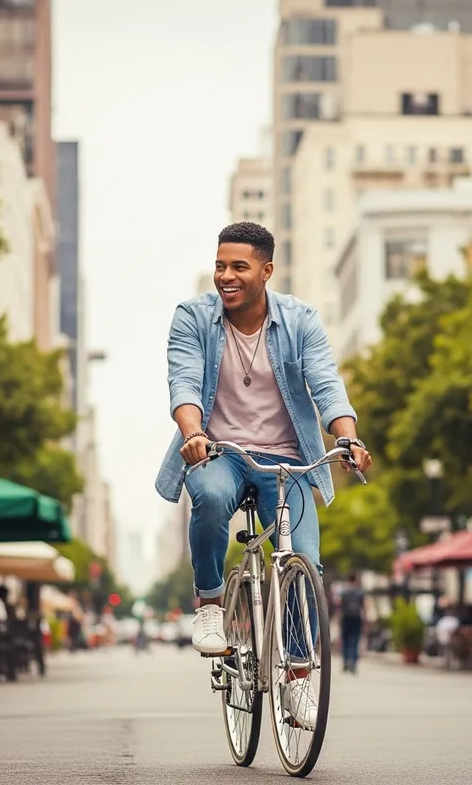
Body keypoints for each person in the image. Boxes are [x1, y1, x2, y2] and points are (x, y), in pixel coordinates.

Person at [155, 222, 371, 726]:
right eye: (219, 266)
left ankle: (297, 682)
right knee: (206, 495)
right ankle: (210, 601)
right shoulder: (193, 317)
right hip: (220, 452)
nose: (225, 277)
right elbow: (183, 382)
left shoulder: (300, 321)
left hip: (288, 461)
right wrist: (193, 434)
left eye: (238, 267)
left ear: (266, 271)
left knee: (304, 564)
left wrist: (349, 437)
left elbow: (326, 383)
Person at [338, 573, 365, 673]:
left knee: (345, 641)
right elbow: (363, 606)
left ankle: (345, 662)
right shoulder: (360, 592)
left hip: (346, 618)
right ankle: (353, 662)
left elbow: (341, 606)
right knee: (354, 641)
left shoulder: (344, 592)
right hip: (356, 618)